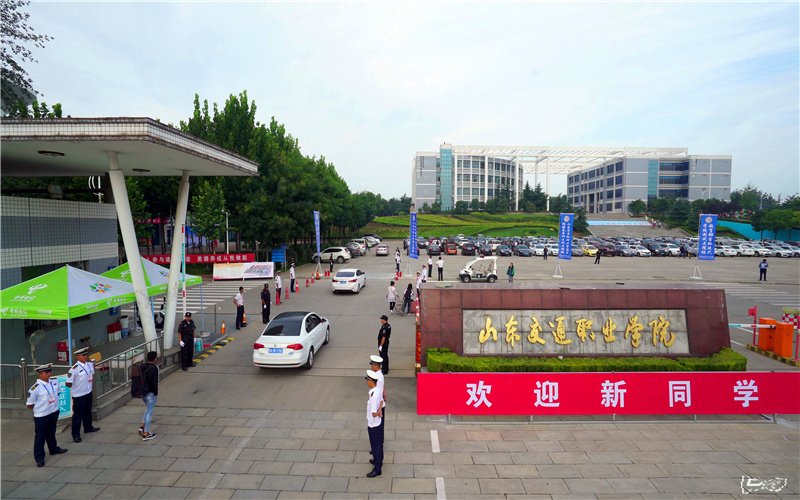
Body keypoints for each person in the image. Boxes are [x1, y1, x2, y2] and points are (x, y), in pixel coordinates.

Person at [26, 364, 68, 467]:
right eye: (46, 372)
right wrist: (41, 407)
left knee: (51, 432)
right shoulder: (35, 388)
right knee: (40, 436)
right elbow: (29, 404)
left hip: (53, 411)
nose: (48, 374)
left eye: (49, 372)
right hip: (42, 415)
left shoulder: (54, 382)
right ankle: (39, 458)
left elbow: (57, 393)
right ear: (40, 374)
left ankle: (53, 448)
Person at [66, 347, 99, 443]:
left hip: (88, 391)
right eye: (82, 355)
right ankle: (76, 434)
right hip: (79, 394)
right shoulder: (74, 369)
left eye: (85, 355)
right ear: (77, 357)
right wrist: (77, 386)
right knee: (77, 415)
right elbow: (68, 383)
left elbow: (91, 375)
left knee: (87, 411)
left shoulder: (89, 365)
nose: (85, 357)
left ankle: (88, 427)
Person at [365, 370, 384, 478]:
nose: (367, 382)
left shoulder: (373, 396)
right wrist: (380, 410)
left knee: (375, 446)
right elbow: (382, 402)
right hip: (378, 423)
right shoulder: (377, 390)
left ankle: (377, 468)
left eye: (368, 380)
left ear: (372, 381)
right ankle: (379, 460)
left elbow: (373, 413)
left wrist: (377, 412)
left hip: (373, 425)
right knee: (379, 444)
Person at [139, 351, 159, 441]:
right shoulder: (154, 368)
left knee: (148, 409)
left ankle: (142, 426)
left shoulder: (142, 366)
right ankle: (146, 433)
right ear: (155, 359)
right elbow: (155, 382)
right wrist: (156, 393)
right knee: (149, 412)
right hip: (150, 392)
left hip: (142, 392)